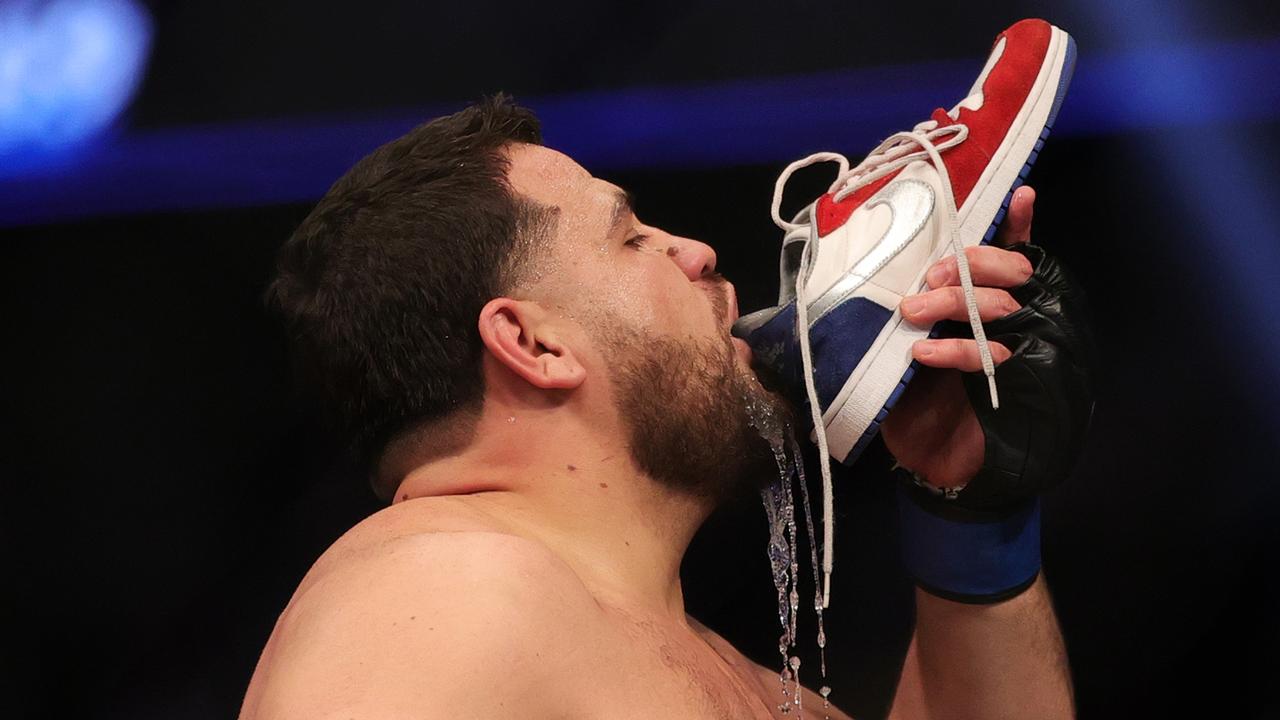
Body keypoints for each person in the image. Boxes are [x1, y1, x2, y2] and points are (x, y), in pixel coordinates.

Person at [241, 96, 1075, 719]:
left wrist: (969, 511)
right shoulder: (444, 590)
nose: (698, 251)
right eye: (632, 236)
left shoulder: (720, 675)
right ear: (533, 344)